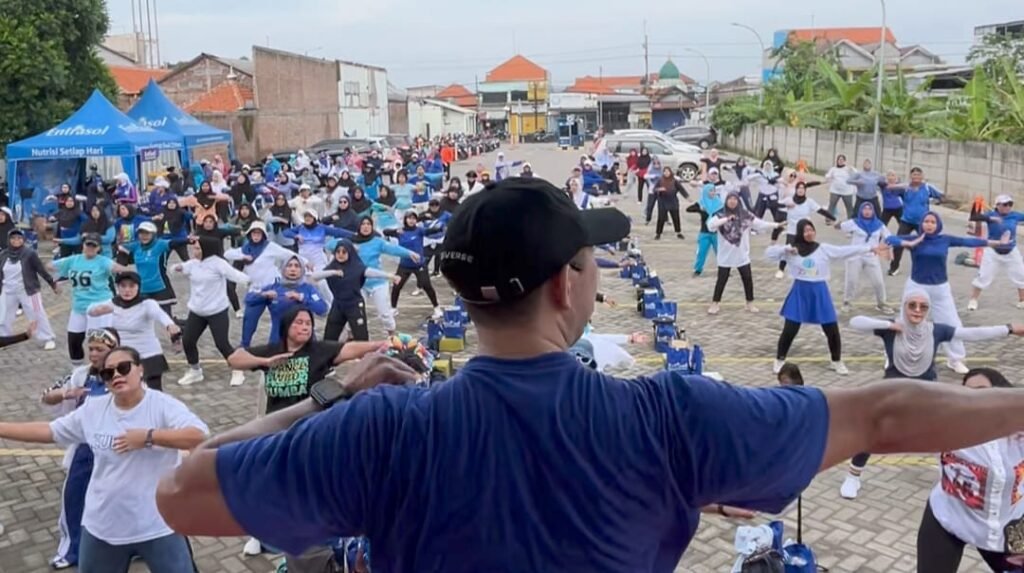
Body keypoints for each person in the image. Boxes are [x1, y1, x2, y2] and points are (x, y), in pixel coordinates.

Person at [158, 176, 1024, 573]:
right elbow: (882, 413)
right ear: (570, 281)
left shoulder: (382, 429)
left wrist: (332, 393)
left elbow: (182, 492)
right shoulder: (669, 417)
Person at [0, 345, 206, 573]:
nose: (116, 375)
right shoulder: (94, 409)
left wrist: (148, 437)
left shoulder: (162, 405)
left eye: (123, 368)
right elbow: (49, 431)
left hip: (157, 524)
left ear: (140, 370)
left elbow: (198, 436)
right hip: (103, 526)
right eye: (108, 373)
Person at [843, 291, 1024, 500]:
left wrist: (1008, 329)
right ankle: (853, 475)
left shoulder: (936, 331)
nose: (917, 311)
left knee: (945, 434)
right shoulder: (892, 329)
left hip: (926, 392)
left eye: (923, 307)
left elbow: (972, 334)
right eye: (912, 305)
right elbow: (855, 322)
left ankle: (957, 475)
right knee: (873, 432)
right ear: (904, 306)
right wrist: (889, 325)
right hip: (893, 389)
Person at [916, 368, 1024, 572]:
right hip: (948, 520)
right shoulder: (949, 427)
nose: (973, 401)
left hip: (1009, 525)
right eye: (966, 396)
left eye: (981, 391)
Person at [885, 211, 1006, 374]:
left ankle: (955, 359)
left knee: (952, 324)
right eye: (926, 221)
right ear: (921, 224)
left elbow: (968, 241)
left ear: (938, 225)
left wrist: (997, 242)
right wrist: (909, 244)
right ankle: (894, 356)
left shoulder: (945, 239)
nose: (929, 224)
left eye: (933, 222)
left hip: (940, 288)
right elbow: (889, 239)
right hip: (916, 287)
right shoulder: (914, 238)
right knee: (906, 323)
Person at [40, 327, 119, 570]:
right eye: (91, 349)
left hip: (117, 450)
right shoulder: (80, 375)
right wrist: (66, 394)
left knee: (118, 501)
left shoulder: (124, 374)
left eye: (100, 350)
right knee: (74, 499)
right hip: (84, 450)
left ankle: (126, 546)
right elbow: (45, 397)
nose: (94, 354)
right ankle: (72, 549)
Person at [767, 219, 888, 375]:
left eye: (811, 229)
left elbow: (845, 250)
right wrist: (786, 249)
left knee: (831, 328)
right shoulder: (792, 251)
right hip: (800, 291)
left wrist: (871, 248)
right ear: (800, 233)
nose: (809, 233)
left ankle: (836, 361)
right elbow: (769, 254)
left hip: (820, 291)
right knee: (790, 329)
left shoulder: (823, 249)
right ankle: (779, 360)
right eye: (805, 231)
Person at [174, 237, 252, 387]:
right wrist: (176, 267)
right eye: (194, 248)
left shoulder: (218, 263)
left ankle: (237, 370)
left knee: (222, 343)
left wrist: (252, 282)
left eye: (197, 249)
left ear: (206, 249)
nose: (194, 251)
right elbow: (181, 268)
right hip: (197, 311)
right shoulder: (193, 264)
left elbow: (237, 275)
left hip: (217, 311)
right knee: (188, 340)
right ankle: (195, 371)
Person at [87, 272, 180, 391]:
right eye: (123, 286)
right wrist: (95, 310)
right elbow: (90, 310)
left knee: (152, 393)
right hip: (123, 357)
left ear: (138, 287)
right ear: (118, 287)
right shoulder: (113, 303)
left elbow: (159, 314)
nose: (127, 290)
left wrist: (169, 325)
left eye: (131, 286)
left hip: (148, 355)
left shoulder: (147, 304)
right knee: (124, 391)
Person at [329, 217, 418, 335]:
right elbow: (330, 245)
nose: (366, 227)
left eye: (368, 224)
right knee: (354, 312)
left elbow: (393, 249)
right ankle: (350, 337)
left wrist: (409, 253)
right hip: (358, 284)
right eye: (363, 224)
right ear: (359, 226)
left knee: (384, 313)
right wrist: (348, 247)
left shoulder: (377, 241)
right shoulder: (351, 241)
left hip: (378, 283)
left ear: (372, 226)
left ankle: (392, 335)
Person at [225, 222, 306, 348]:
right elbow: (227, 253)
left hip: (274, 287)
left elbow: (289, 254)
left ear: (263, 235)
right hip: (256, 290)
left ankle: (275, 347)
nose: (256, 236)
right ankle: (244, 346)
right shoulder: (245, 248)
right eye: (253, 233)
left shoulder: (270, 247)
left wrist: (306, 262)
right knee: (249, 320)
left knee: (279, 319)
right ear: (249, 234)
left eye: (259, 233)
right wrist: (243, 256)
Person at [53, 233, 129, 365]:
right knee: (74, 340)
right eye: (88, 245)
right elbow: (50, 266)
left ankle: (102, 368)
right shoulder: (74, 260)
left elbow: (120, 270)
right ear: (83, 245)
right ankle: (77, 370)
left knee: (98, 343)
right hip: (79, 306)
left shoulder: (103, 261)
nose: (90, 248)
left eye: (94, 246)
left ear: (98, 248)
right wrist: (54, 282)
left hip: (99, 306)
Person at [706, 191, 785, 315]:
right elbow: (710, 225)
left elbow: (760, 224)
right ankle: (715, 303)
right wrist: (726, 219)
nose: (732, 201)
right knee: (722, 279)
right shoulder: (720, 214)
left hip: (742, 253)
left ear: (738, 201)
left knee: (747, 279)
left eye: (735, 199)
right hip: (725, 254)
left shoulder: (745, 215)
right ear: (726, 201)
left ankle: (750, 303)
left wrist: (776, 225)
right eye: (730, 199)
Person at [313, 240, 398, 342]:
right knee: (330, 336)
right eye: (338, 252)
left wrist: (389, 276)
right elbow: (314, 277)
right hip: (338, 305)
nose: (340, 255)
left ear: (350, 253)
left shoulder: (357, 267)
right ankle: (329, 355)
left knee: (361, 335)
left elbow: (370, 272)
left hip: (354, 304)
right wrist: (332, 272)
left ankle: (363, 354)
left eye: (344, 252)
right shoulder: (332, 267)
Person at [0, 228, 59, 350]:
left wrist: (52, 284)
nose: (16, 241)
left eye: (19, 238)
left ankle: (47, 337)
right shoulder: (4, 255)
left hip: (28, 290)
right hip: (8, 290)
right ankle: (4, 338)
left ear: (23, 240)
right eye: (13, 238)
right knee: (4, 315)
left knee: (37, 313)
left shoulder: (29, 253)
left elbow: (41, 270)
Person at [254, 255, 328, 346]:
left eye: (297, 266)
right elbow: (248, 300)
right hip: (279, 341)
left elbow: (323, 309)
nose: (293, 269)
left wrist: (301, 298)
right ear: (283, 269)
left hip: (305, 343)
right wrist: (262, 295)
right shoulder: (274, 288)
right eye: (289, 266)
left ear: (302, 270)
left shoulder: (309, 289)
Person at [967, 194, 1024, 311]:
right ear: (997, 205)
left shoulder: (1015, 216)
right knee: (983, 276)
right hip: (993, 251)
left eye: (1010, 204)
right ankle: (973, 300)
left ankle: (1022, 300)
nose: (1007, 207)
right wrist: (991, 219)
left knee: (1020, 275)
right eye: (1004, 204)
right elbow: (974, 217)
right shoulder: (991, 215)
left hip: (1011, 250)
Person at [384, 212, 444, 318]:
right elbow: (385, 231)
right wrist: (395, 231)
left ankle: (437, 308)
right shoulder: (400, 232)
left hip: (419, 265)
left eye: (413, 218)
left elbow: (430, 231)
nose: (411, 220)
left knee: (427, 286)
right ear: (405, 220)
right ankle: (393, 309)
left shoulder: (419, 230)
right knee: (396, 286)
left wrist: (439, 227)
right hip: (404, 265)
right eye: (409, 218)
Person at [886, 167, 945, 276]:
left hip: (922, 223)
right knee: (898, 243)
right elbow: (889, 188)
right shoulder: (906, 188)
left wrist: (940, 199)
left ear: (922, 176)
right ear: (910, 176)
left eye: (918, 175)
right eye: (914, 175)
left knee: (927, 245)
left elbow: (941, 196)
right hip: (906, 220)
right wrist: (900, 184)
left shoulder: (927, 188)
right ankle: (894, 267)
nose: (916, 177)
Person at [118, 221, 182, 320]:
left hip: (159, 287)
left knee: (165, 320)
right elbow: (121, 248)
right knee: (140, 319)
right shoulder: (136, 246)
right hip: (143, 288)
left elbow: (173, 243)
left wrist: (188, 240)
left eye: (147, 233)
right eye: (141, 233)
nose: (144, 236)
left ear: (153, 234)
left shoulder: (160, 244)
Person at [837, 202, 893, 314]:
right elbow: (841, 226)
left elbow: (889, 237)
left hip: (871, 256)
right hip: (855, 255)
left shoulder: (879, 225)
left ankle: (882, 303)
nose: (867, 211)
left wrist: (887, 249)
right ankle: (847, 302)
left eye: (869, 209)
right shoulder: (855, 222)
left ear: (873, 211)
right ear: (861, 211)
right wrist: (835, 222)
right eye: (865, 209)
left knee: (878, 282)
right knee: (851, 280)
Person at [776, 181, 835, 276]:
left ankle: (808, 269)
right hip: (792, 231)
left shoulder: (809, 202)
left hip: (804, 232)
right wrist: (785, 205)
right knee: (788, 249)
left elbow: (820, 210)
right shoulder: (789, 200)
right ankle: (781, 269)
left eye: (802, 188)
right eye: (799, 188)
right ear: (796, 190)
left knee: (807, 251)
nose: (800, 190)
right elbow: (775, 204)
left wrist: (833, 218)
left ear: (805, 190)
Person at [686, 175, 723, 277]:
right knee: (701, 252)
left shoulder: (719, 204)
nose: (712, 193)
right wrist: (699, 208)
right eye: (710, 191)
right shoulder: (702, 203)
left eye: (713, 191)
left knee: (720, 253)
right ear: (706, 192)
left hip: (716, 233)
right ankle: (698, 270)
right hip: (704, 232)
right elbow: (688, 209)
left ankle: (724, 269)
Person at [652, 167, 689, 241]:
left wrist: (687, 197)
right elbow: (654, 189)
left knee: (676, 218)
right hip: (662, 202)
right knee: (661, 218)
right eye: (664, 172)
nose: (666, 173)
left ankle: (678, 232)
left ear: (670, 172)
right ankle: (658, 233)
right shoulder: (660, 180)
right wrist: (659, 189)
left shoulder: (674, 181)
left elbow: (681, 189)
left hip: (673, 201)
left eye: (667, 171)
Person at [152, 197, 192, 263]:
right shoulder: (162, 212)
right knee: (163, 259)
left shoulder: (181, 212)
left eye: (173, 203)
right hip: (166, 239)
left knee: (185, 258)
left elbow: (190, 216)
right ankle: (162, 273)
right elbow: (157, 223)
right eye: (170, 203)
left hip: (179, 238)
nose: (171, 204)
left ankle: (194, 271)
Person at [824, 154, 855, 220]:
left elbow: (856, 174)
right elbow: (827, 176)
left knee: (849, 207)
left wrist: (851, 170)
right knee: (832, 205)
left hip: (847, 191)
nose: (840, 161)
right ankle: (829, 218)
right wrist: (828, 178)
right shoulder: (833, 169)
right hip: (835, 191)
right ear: (837, 161)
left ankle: (851, 220)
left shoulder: (848, 169)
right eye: (839, 160)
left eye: (842, 160)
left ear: (845, 161)